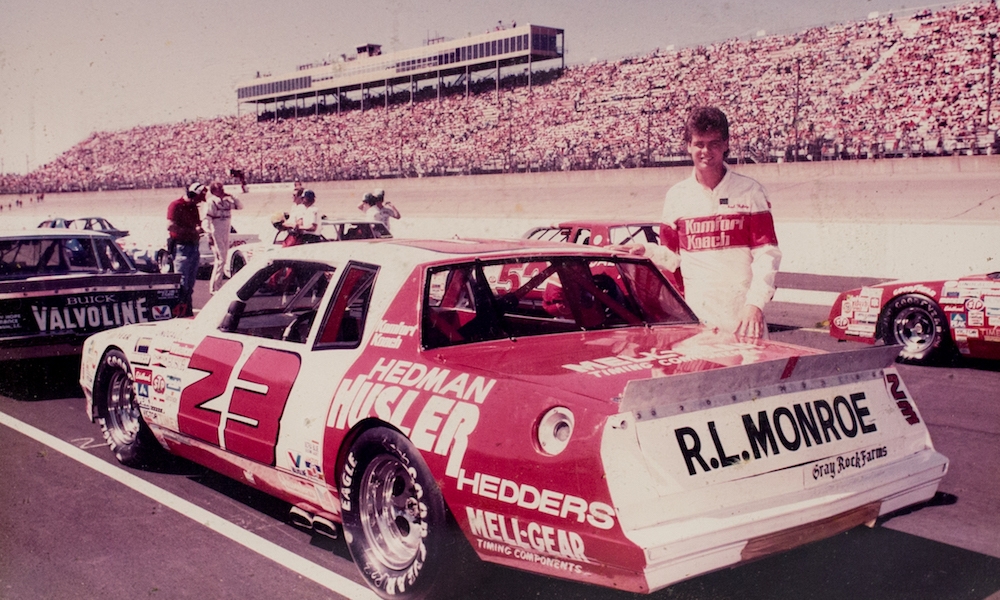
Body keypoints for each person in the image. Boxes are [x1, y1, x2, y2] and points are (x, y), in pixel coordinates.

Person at [622, 106, 781, 338]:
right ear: (688, 145)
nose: (706, 151)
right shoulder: (677, 196)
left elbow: (767, 255)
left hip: (743, 319)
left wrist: (755, 304)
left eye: (713, 143)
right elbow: (674, 256)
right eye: (699, 144)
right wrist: (645, 251)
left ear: (726, 144)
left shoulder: (750, 191)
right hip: (698, 320)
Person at [167, 182, 207, 316]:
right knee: (182, 282)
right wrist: (191, 232)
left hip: (194, 246)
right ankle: (180, 311)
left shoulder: (193, 207)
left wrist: (198, 229)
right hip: (181, 247)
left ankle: (187, 310)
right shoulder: (175, 205)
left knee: (190, 283)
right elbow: (170, 226)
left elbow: (197, 224)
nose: (199, 202)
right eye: (198, 198)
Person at [203, 180, 244, 293]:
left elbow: (240, 206)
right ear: (213, 191)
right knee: (220, 259)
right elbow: (206, 219)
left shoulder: (227, 201)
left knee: (223, 259)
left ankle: (218, 285)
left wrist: (232, 196)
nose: (222, 191)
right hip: (216, 232)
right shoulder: (211, 202)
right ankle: (215, 287)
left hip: (226, 232)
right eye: (219, 189)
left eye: (222, 188)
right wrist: (208, 234)